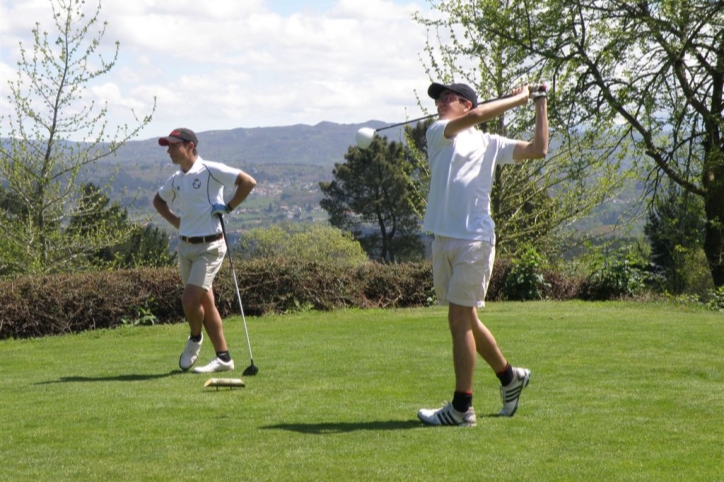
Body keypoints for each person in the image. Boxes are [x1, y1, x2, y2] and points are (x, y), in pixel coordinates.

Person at [417, 82, 548, 426]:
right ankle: (509, 378)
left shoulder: (489, 143)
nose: (440, 103)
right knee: (468, 320)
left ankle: (462, 409)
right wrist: (516, 98)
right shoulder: (438, 132)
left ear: (465, 103)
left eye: (448, 98)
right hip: (443, 240)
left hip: (474, 240)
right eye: (438, 99)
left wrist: (538, 102)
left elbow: (538, 149)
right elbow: (477, 116)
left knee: (459, 320)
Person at [153, 128, 257, 374]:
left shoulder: (210, 169)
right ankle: (224, 358)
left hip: (210, 246)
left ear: (190, 146)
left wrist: (228, 207)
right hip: (186, 246)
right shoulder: (177, 178)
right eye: (167, 146)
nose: (168, 150)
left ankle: (195, 338)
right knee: (205, 303)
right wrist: (177, 222)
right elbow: (159, 201)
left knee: (189, 300)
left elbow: (247, 182)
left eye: (173, 145)